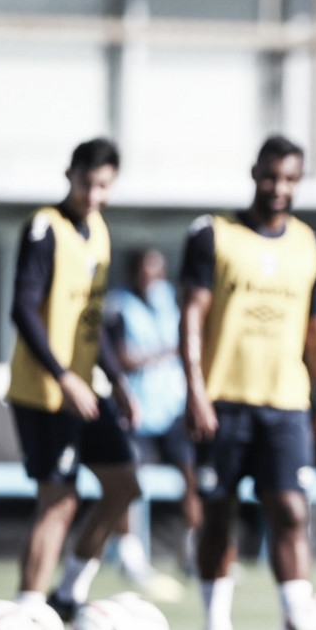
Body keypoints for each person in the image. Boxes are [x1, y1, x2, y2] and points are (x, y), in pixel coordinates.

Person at [179, 134, 316, 630]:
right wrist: (197, 391)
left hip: (286, 404)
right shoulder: (213, 235)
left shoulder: (312, 246)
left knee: (291, 511)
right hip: (224, 401)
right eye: (271, 176)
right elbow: (192, 317)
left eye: (290, 178)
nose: (278, 188)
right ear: (255, 173)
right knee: (218, 515)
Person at [6, 137, 141, 622]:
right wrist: (63, 377)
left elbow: (93, 321)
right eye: (88, 183)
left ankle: (67, 595)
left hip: (86, 391)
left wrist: (119, 382)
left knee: (124, 486)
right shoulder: (45, 228)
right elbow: (22, 309)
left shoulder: (99, 233)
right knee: (60, 500)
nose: (94, 194)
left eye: (104, 186)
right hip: (44, 392)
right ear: (70, 175)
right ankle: (25, 617)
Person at [103, 247, 199, 596]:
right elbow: (121, 358)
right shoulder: (118, 305)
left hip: (171, 408)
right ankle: (130, 557)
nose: (150, 277)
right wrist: (165, 352)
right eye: (144, 270)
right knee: (130, 484)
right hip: (135, 409)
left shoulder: (171, 302)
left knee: (191, 479)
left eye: (156, 270)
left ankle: (193, 551)